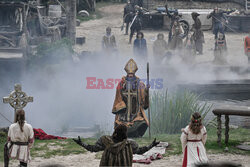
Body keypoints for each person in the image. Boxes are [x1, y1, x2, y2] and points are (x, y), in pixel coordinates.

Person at [73, 124, 160, 167]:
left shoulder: (106, 141)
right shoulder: (129, 144)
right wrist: (152, 145)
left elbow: (93, 149)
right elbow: (140, 151)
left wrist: (81, 143)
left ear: (115, 132)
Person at [112, 58, 149, 137]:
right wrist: (121, 105)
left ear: (134, 73)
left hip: (135, 114)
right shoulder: (121, 83)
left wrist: (146, 90)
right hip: (123, 114)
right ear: (127, 73)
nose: (130, 75)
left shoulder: (140, 83)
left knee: (142, 123)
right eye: (129, 74)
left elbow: (143, 98)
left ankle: (136, 134)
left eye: (132, 74)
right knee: (120, 125)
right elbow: (117, 97)